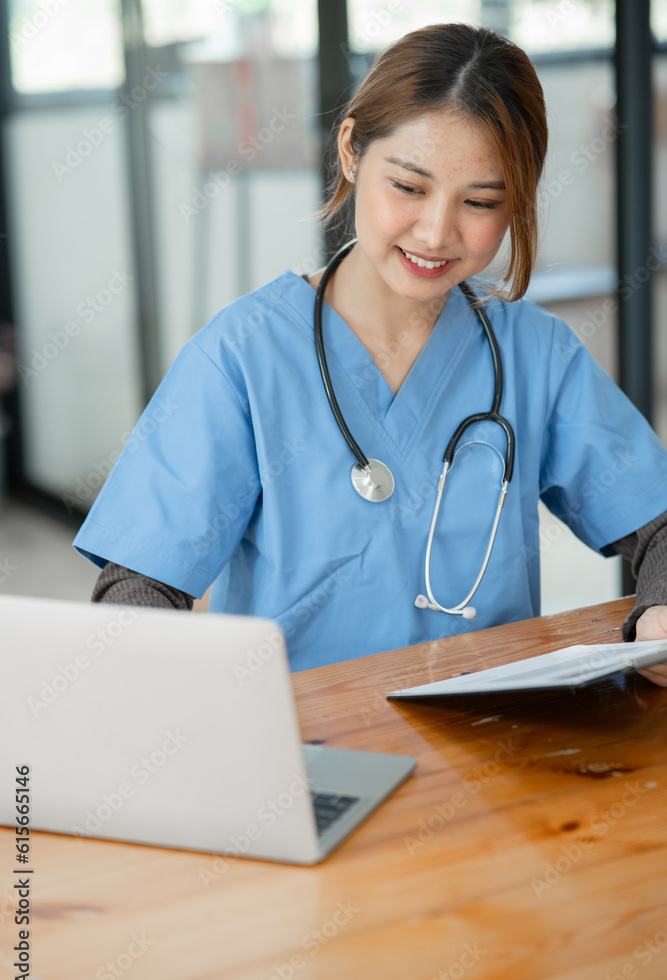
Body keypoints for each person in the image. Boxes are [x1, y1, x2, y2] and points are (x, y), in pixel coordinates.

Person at [74, 22, 667, 682]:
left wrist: (660, 607)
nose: (437, 232)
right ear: (351, 150)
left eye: (480, 201)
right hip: (305, 756)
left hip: (493, 743)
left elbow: (657, 523)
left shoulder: (535, 353)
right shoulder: (243, 357)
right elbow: (140, 587)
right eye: (409, 188)